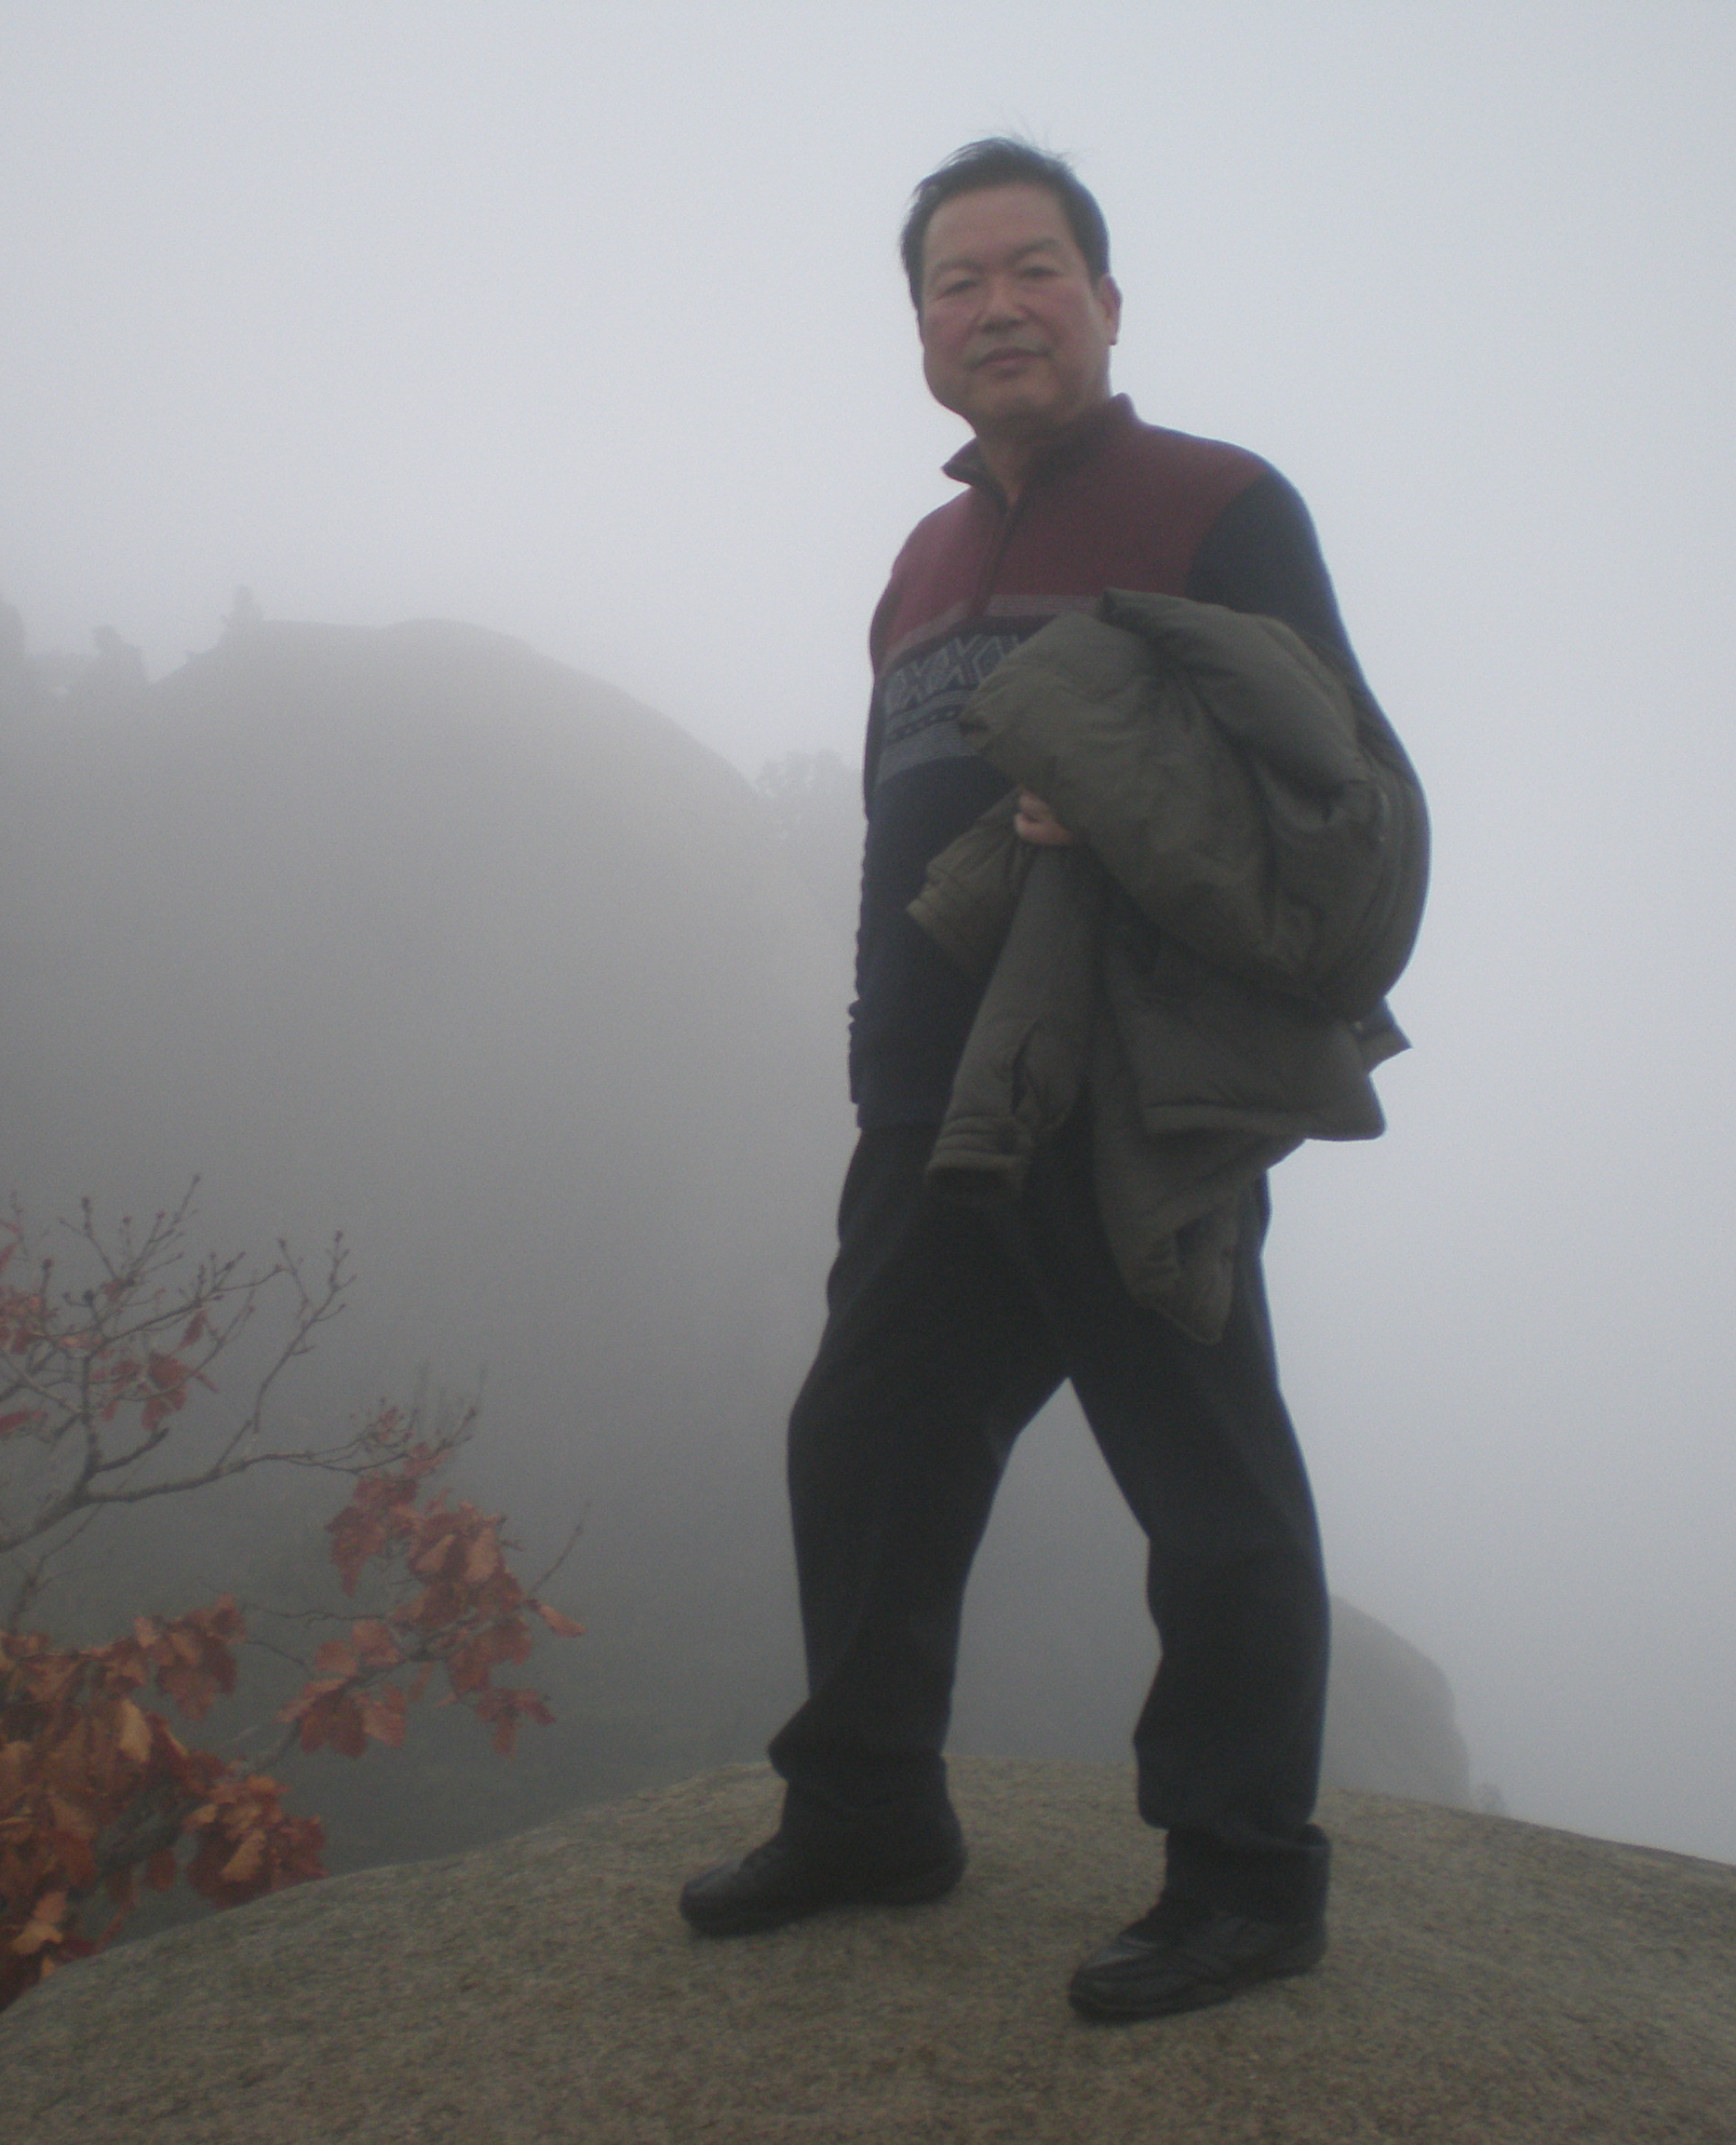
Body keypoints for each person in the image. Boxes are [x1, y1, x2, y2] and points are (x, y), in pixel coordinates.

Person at [680, 138, 1370, 2021]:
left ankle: (1247, 1878)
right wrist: (873, 1059)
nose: (996, 306)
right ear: (920, 329)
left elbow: (1340, 794)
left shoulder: (1218, 504)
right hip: (931, 1099)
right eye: (956, 281)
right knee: (865, 1441)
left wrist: (1143, 802)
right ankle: (871, 1813)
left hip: (1128, 1083)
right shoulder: (917, 565)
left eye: (1034, 268)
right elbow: (894, 833)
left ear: (1106, 302)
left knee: (1206, 1482)